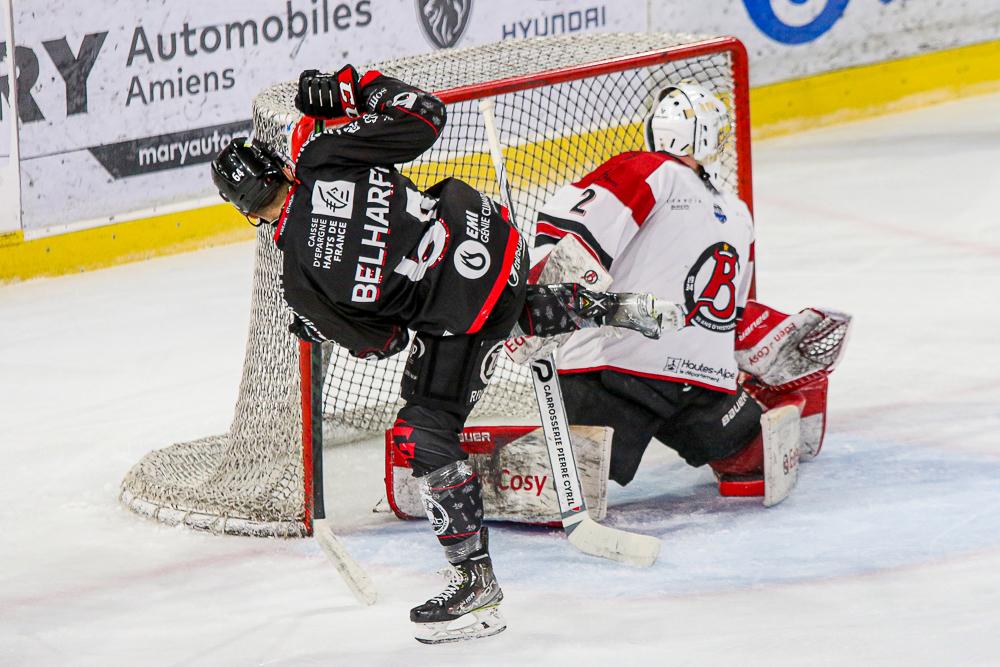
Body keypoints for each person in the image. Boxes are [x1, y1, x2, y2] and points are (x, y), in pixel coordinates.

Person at [210, 65, 664, 644]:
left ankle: (475, 587)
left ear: (246, 211)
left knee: (424, 433)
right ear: (277, 166)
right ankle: (610, 307)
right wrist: (356, 86)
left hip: (462, 308)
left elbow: (386, 342)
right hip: (492, 237)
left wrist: (329, 321)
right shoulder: (323, 152)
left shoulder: (300, 284)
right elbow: (426, 115)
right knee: (503, 308)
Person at [531, 82, 850, 496]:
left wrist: (536, 304)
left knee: (557, 487)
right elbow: (732, 308)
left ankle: (448, 460)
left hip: (616, 372)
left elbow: (572, 230)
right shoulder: (737, 212)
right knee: (755, 467)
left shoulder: (648, 170)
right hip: (703, 384)